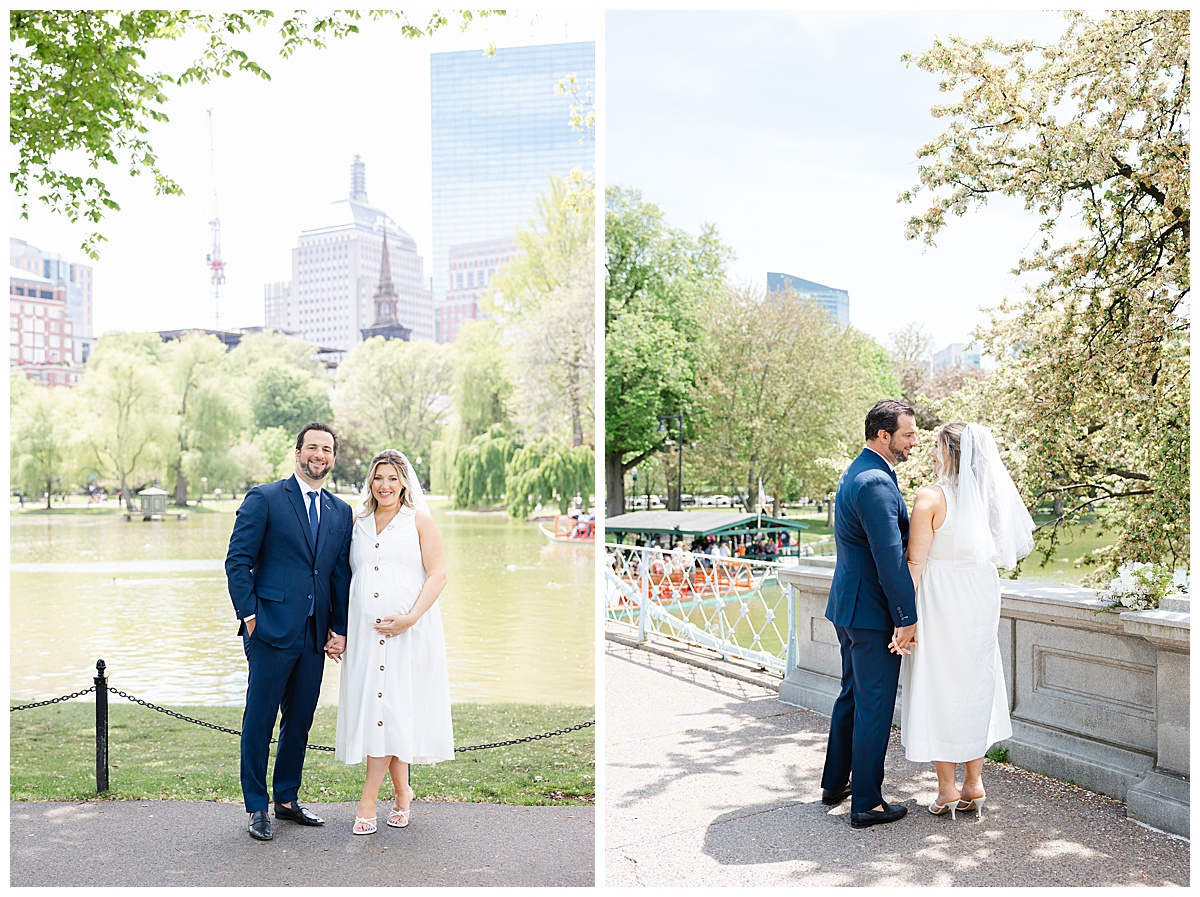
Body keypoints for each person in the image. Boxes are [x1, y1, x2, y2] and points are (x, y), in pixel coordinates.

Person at [225, 422, 353, 841]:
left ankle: (285, 800)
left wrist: (339, 628)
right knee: (259, 721)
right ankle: (256, 806)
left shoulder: (341, 511)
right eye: (312, 447)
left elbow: (336, 574)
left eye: (327, 450)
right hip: (270, 631)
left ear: (333, 458)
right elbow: (237, 562)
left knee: (299, 721)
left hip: (315, 636)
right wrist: (250, 617)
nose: (320, 455)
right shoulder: (265, 498)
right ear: (297, 453)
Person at [898, 423, 1032, 819]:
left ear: (952, 453)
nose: (931, 454)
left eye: (937, 448)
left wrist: (904, 616)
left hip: (941, 596)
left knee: (940, 684)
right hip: (981, 594)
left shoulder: (931, 497)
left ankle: (947, 789)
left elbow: (915, 562)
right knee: (976, 681)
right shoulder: (990, 499)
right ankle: (975, 782)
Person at [336, 449, 454, 835]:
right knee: (381, 711)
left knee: (392, 709)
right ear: (370, 482)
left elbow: (437, 575)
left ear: (404, 481)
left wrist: (410, 618)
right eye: (378, 478)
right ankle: (403, 794)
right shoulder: (357, 523)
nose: (385, 486)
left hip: (409, 633)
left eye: (392, 478)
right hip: (367, 637)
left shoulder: (418, 520)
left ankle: (368, 801)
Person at [820, 399, 919, 829]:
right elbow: (889, 556)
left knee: (853, 696)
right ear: (884, 435)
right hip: (871, 611)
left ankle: (835, 783)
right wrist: (906, 616)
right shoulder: (877, 481)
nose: (914, 442)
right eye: (908, 434)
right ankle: (866, 802)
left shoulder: (857, 470)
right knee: (874, 704)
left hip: (849, 605)